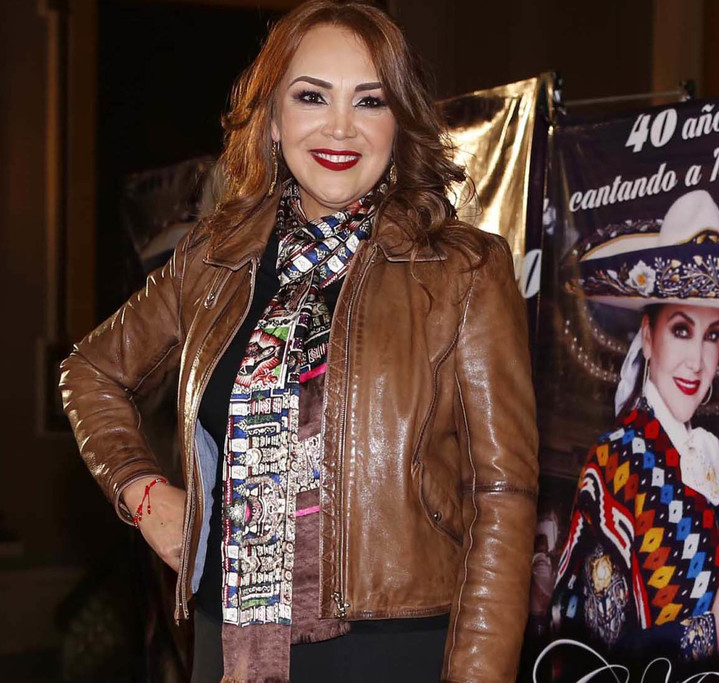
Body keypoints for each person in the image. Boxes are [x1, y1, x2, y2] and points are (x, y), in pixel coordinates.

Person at [58, 2, 538, 681]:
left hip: (394, 648)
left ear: (398, 122)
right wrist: (141, 490)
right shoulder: (215, 259)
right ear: (273, 119)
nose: (340, 126)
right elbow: (89, 371)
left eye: (369, 100)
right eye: (312, 96)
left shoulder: (463, 270)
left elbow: (503, 494)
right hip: (227, 639)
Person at [547, 189, 719, 672]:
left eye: (712, 335)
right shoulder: (615, 459)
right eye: (680, 329)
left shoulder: (699, 456)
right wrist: (711, 633)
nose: (697, 360)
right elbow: (588, 652)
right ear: (647, 337)